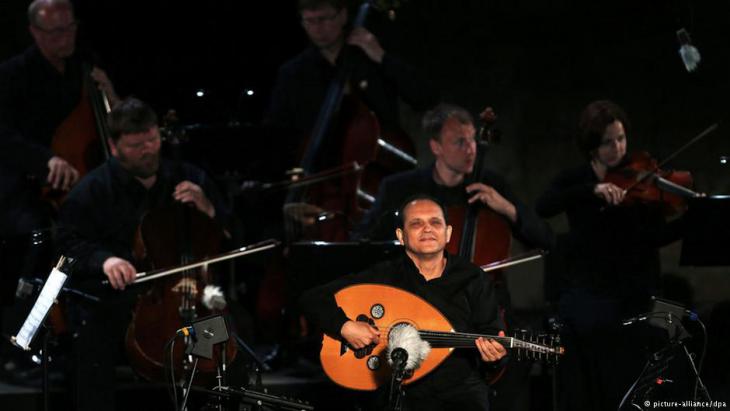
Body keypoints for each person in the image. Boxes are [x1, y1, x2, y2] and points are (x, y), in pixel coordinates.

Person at [57, 97, 232, 411]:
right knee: (91, 348)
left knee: (226, 348)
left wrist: (208, 208)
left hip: (189, 291)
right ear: (114, 147)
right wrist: (105, 260)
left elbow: (231, 238)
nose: (149, 149)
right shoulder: (93, 190)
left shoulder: (189, 176)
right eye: (137, 145)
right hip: (123, 299)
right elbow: (68, 245)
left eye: (153, 139)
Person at [535, 100, 683, 411]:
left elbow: (654, 238)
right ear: (591, 147)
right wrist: (592, 190)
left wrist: (691, 223)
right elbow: (544, 205)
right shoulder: (576, 179)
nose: (618, 148)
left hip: (639, 290)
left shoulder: (640, 177)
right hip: (593, 295)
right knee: (594, 385)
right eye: (608, 142)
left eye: (622, 138)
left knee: (646, 379)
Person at [0, 0, 119, 376]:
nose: (66, 37)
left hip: (78, 188)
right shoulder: (12, 74)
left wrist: (110, 97)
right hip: (26, 185)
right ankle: (23, 344)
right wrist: (44, 160)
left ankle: (100, 340)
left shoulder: (84, 70)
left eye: (70, 28)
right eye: (56, 31)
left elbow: (115, 129)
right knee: (38, 241)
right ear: (35, 32)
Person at [300, 195, 507, 410]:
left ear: (448, 233)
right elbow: (312, 298)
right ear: (401, 236)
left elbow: (494, 341)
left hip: (459, 392)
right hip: (399, 392)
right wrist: (344, 325)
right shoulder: (384, 275)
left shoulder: (474, 278)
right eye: (416, 223)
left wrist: (494, 356)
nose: (427, 229)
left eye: (435, 222)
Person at [264, 0, 438, 175]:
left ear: (343, 15)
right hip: (319, 179)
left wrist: (381, 56)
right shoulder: (293, 73)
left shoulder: (370, 55)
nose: (317, 28)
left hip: (378, 172)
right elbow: (277, 134)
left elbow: (424, 97)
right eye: (309, 21)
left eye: (324, 19)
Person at [355, 102, 553, 250]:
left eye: (472, 140)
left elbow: (545, 239)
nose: (470, 150)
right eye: (459, 142)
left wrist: (508, 208)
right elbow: (364, 241)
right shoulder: (400, 188)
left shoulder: (491, 186)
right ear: (436, 147)